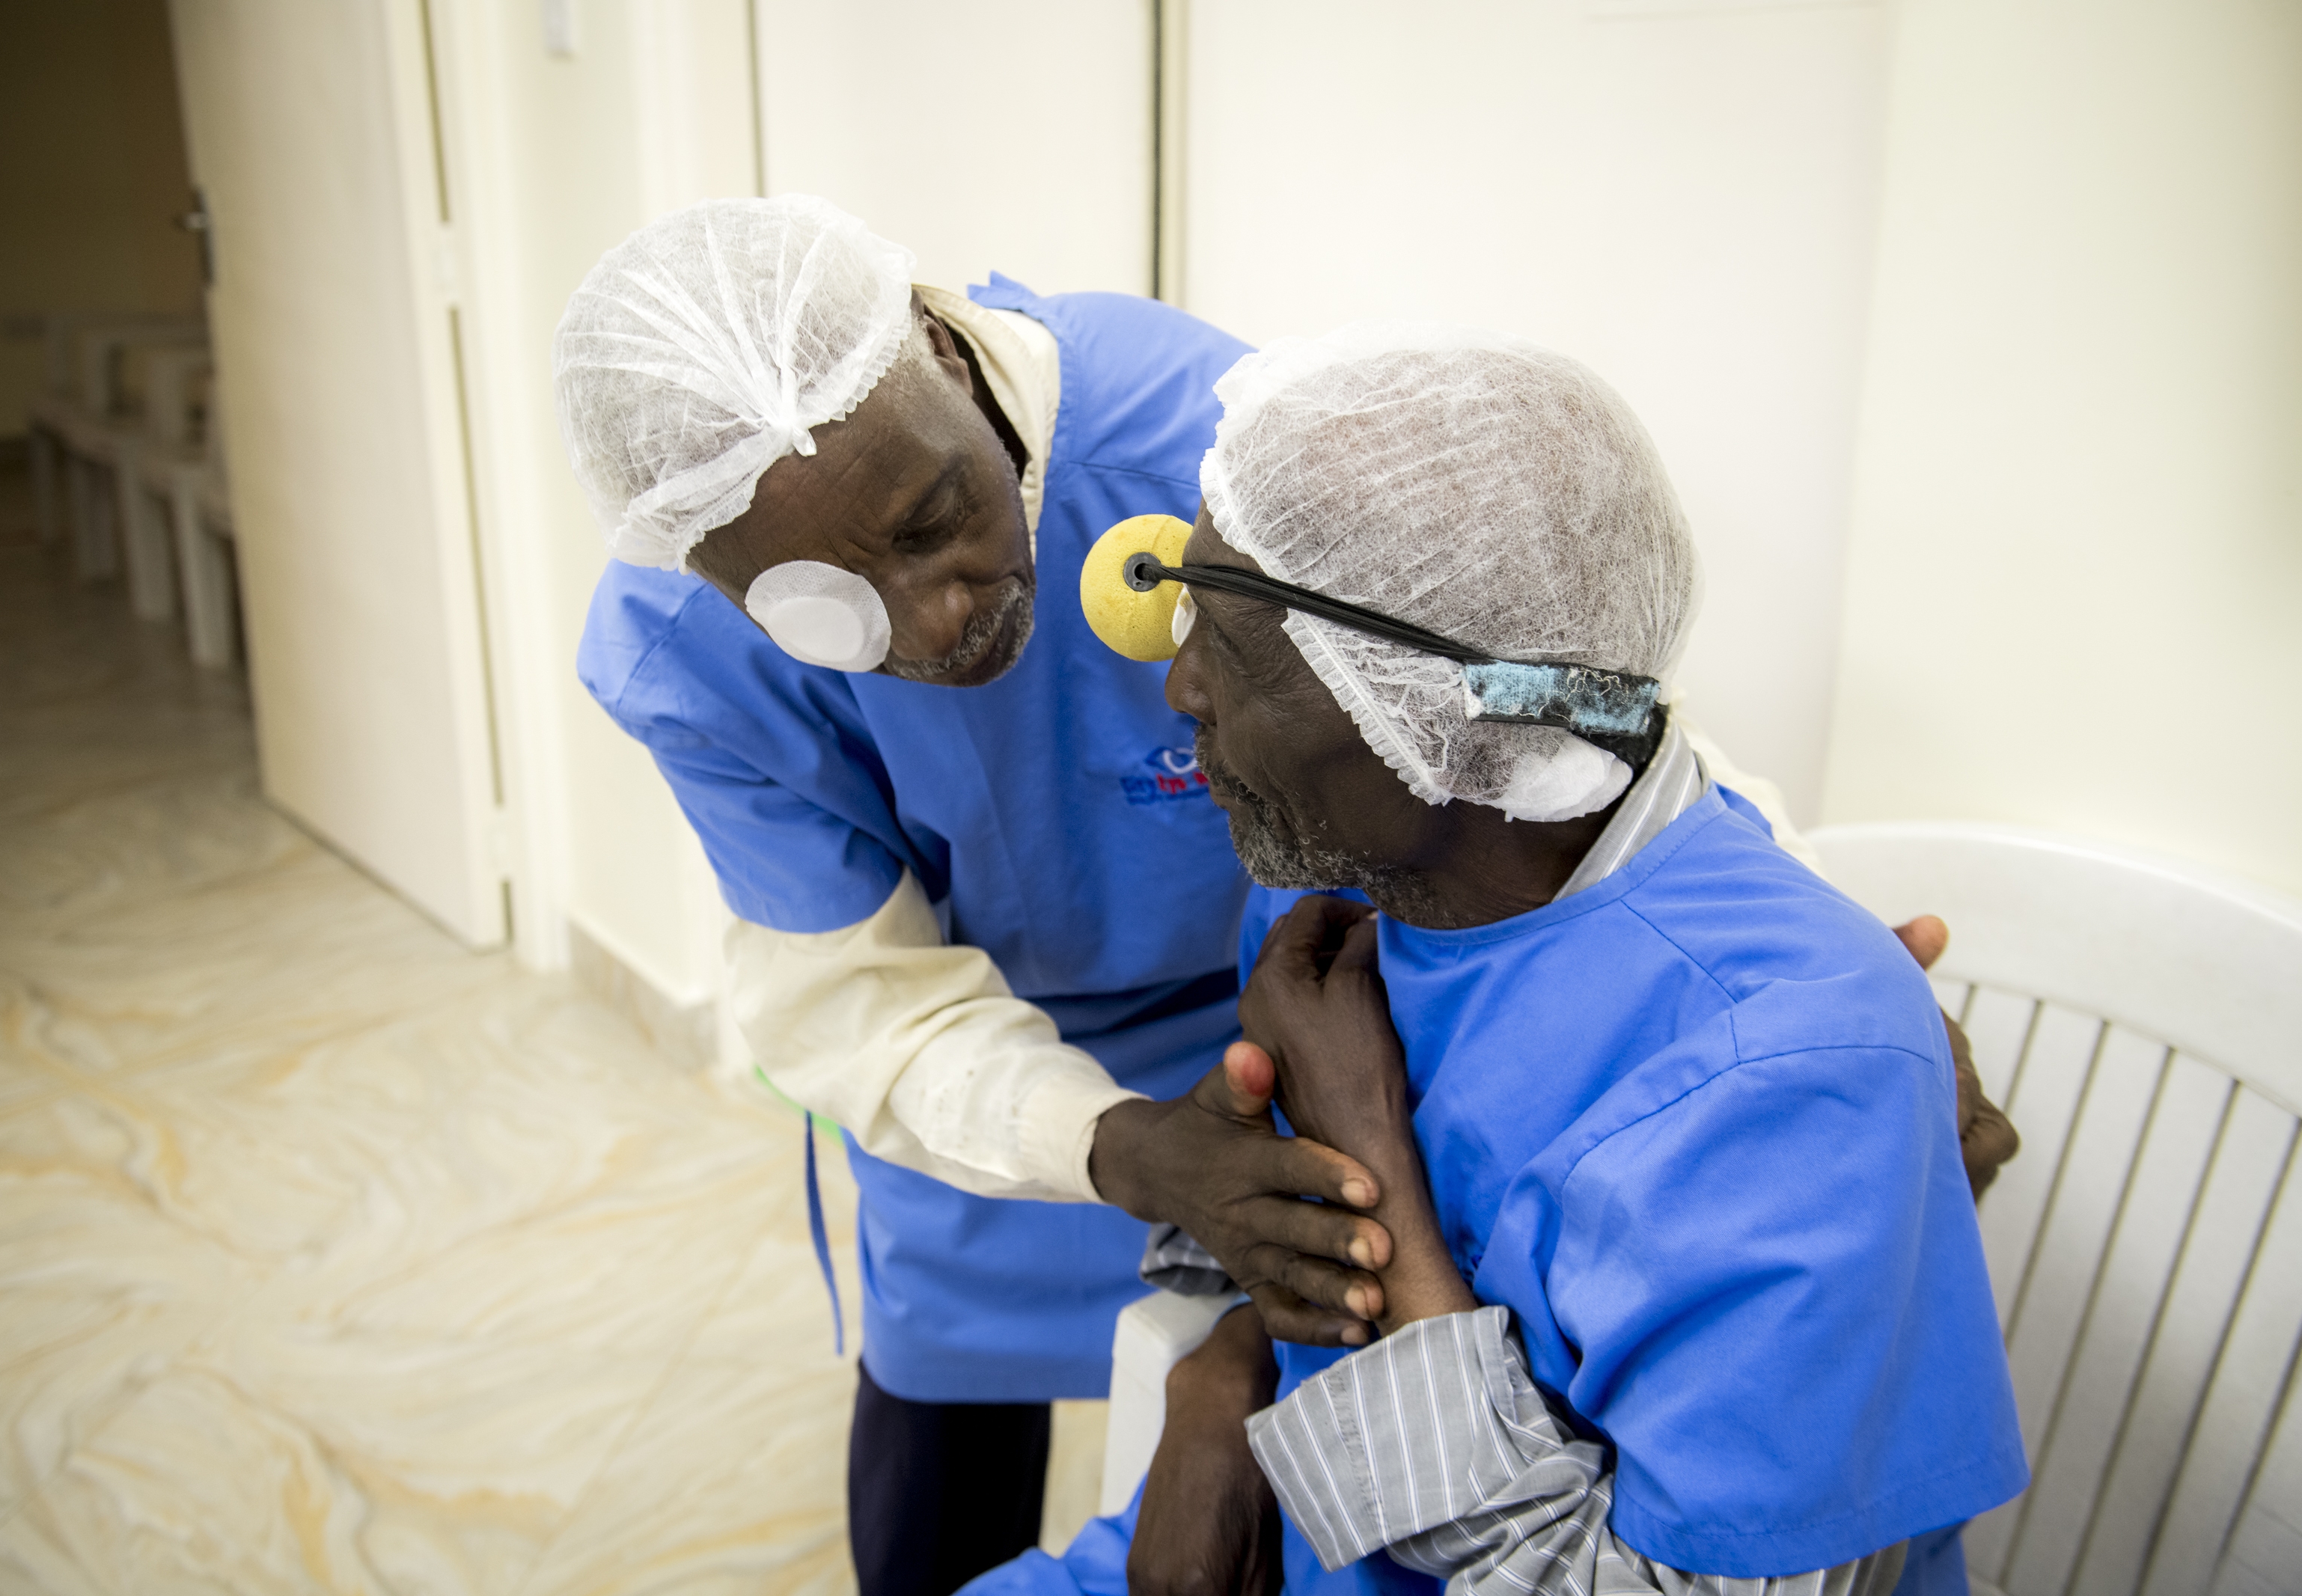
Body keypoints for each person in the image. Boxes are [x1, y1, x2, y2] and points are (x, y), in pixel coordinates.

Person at [554, 198, 2016, 1596]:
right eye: (830, 610)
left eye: (938, 516)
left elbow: (1551, 662)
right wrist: (1227, 1364)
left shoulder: (1232, 471)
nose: (936, 615)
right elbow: (853, 1001)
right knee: (938, 1449)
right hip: (1072, 1068)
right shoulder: (1326, 927)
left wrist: (1832, 963)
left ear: (945, 345)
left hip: (1302, 1104)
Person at [968, 326, 2026, 1596]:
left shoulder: (1794, 1073)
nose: (1181, 684)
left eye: (1238, 653)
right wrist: (1225, 1375)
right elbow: (1289, 1267)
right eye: (1190, 606)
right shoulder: (1342, 889)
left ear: (1450, 718)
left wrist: (1372, 1150)